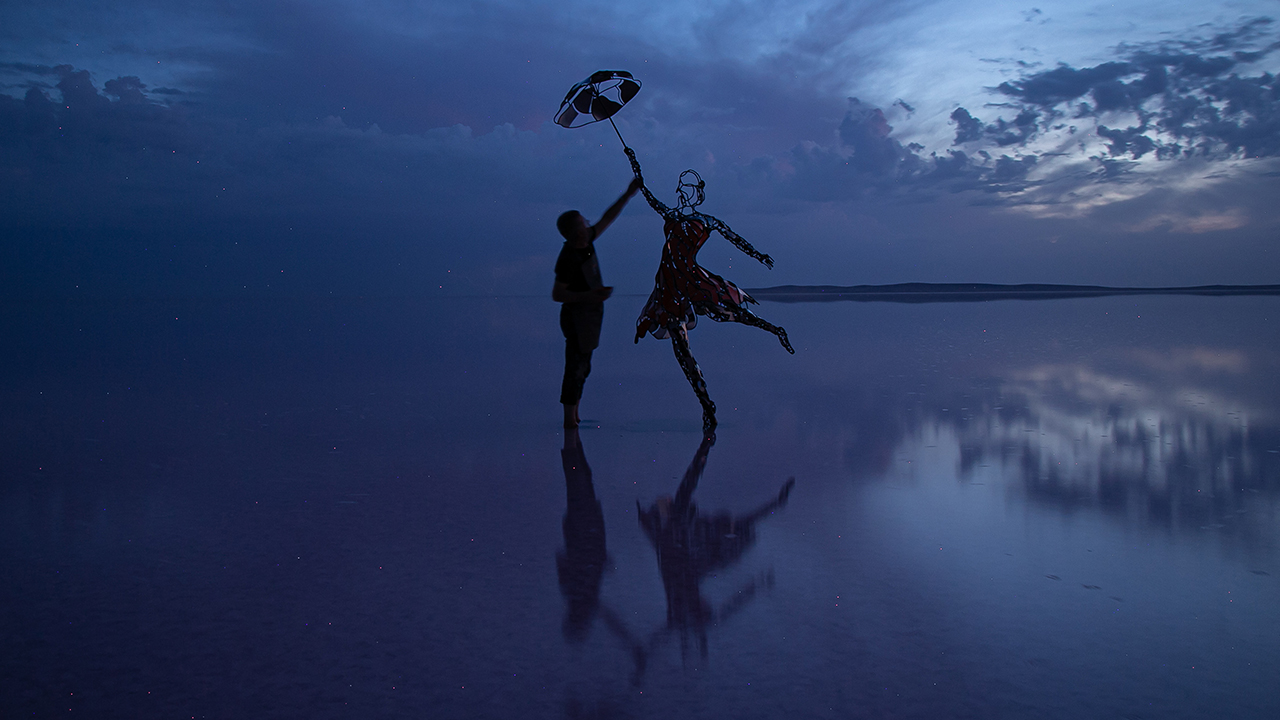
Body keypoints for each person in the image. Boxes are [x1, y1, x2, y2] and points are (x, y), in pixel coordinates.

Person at [625, 148, 793, 434]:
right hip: (668, 288)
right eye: (679, 188)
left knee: (732, 313)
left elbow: (735, 239)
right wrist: (636, 167)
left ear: (697, 193)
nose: (680, 192)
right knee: (683, 354)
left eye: (686, 188)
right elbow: (648, 195)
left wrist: (759, 255)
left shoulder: (707, 221)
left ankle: (775, 329)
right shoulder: (671, 215)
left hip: (691, 281)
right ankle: (707, 407)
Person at [554, 177, 644, 429]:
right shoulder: (569, 258)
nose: (589, 223)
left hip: (590, 316)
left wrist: (628, 194)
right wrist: (590, 296)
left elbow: (608, 217)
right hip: (576, 318)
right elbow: (557, 294)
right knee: (575, 366)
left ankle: (576, 414)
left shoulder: (587, 242)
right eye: (584, 222)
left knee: (584, 366)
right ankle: (568, 420)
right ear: (577, 231)